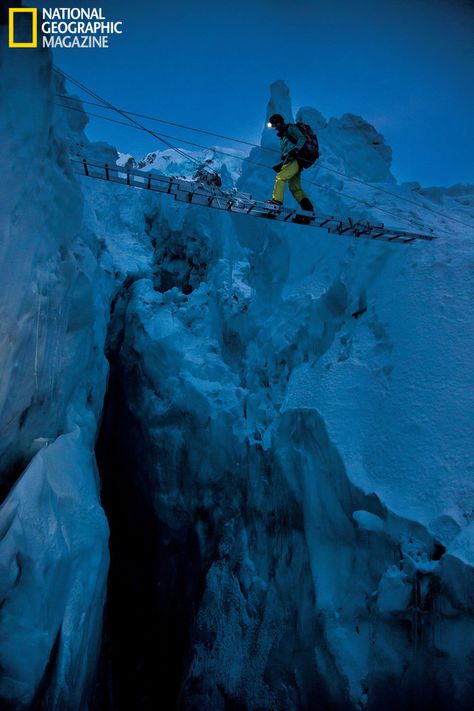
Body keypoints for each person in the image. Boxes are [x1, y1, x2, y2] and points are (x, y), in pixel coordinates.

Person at [266, 113, 314, 213]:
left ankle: (276, 202)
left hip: (295, 160)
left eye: (274, 125)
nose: (275, 128)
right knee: (295, 188)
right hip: (291, 161)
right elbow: (287, 152)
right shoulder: (283, 137)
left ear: (278, 123)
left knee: (280, 177)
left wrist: (296, 149)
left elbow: (302, 138)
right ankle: (308, 210)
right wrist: (281, 164)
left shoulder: (290, 128)